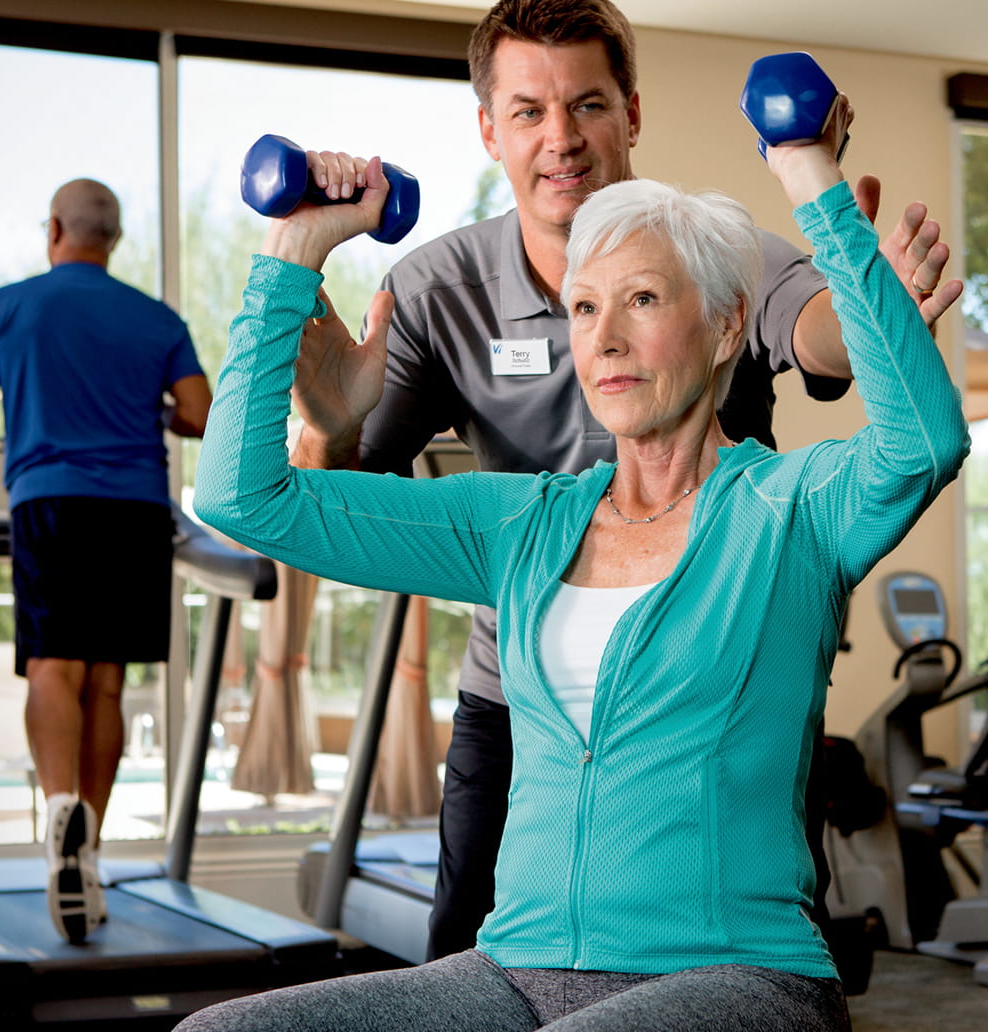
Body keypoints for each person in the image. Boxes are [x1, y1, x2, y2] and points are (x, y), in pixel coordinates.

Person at [141, 92, 967, 1032]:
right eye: (582, 308)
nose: (605, 337)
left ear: (725, 327)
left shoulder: (794, 511)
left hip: (739, 978)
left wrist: (808, 171)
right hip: (517, 967)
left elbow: (923, 437)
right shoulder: (519, 522)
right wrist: (295, 252)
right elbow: (245, 497)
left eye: (639, 299)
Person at [290, 0, 962, 961]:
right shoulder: (437, 288)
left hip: (711, 682)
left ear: (632, 112)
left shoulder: (716, 257)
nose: (560, 139)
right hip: (522, 692)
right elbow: (337, 486)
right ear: (489, 126)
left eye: (588, 105)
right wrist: (324, 417)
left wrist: (869, 300)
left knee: (745, 978)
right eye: (528, 111)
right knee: (465, 985)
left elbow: (820, 332)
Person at [0, 178, 212, 945]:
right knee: (106, 679)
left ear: (56, 228)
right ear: (115, 239)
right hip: (136, 506)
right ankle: (89, 847)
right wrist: (149, 407)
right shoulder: (157, 317)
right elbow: (198, 413)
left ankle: (59, 808)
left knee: (52, 669)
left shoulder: (5, 307)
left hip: (50, 500)